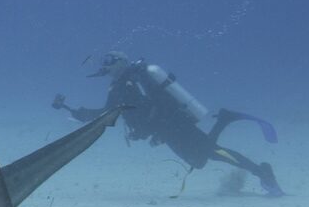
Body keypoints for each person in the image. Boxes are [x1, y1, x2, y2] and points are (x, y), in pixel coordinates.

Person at [53, 51, 284, 196]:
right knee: (202, 158)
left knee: (209, 154)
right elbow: (119, 112)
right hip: (169, 128)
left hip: (173, 127)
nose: (105, 66)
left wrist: (76, 112)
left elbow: (109, 113)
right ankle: (227, 123)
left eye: (110, 61)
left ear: (121, 64)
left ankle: (261, 171)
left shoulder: (127, 84)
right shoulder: (125, 84)